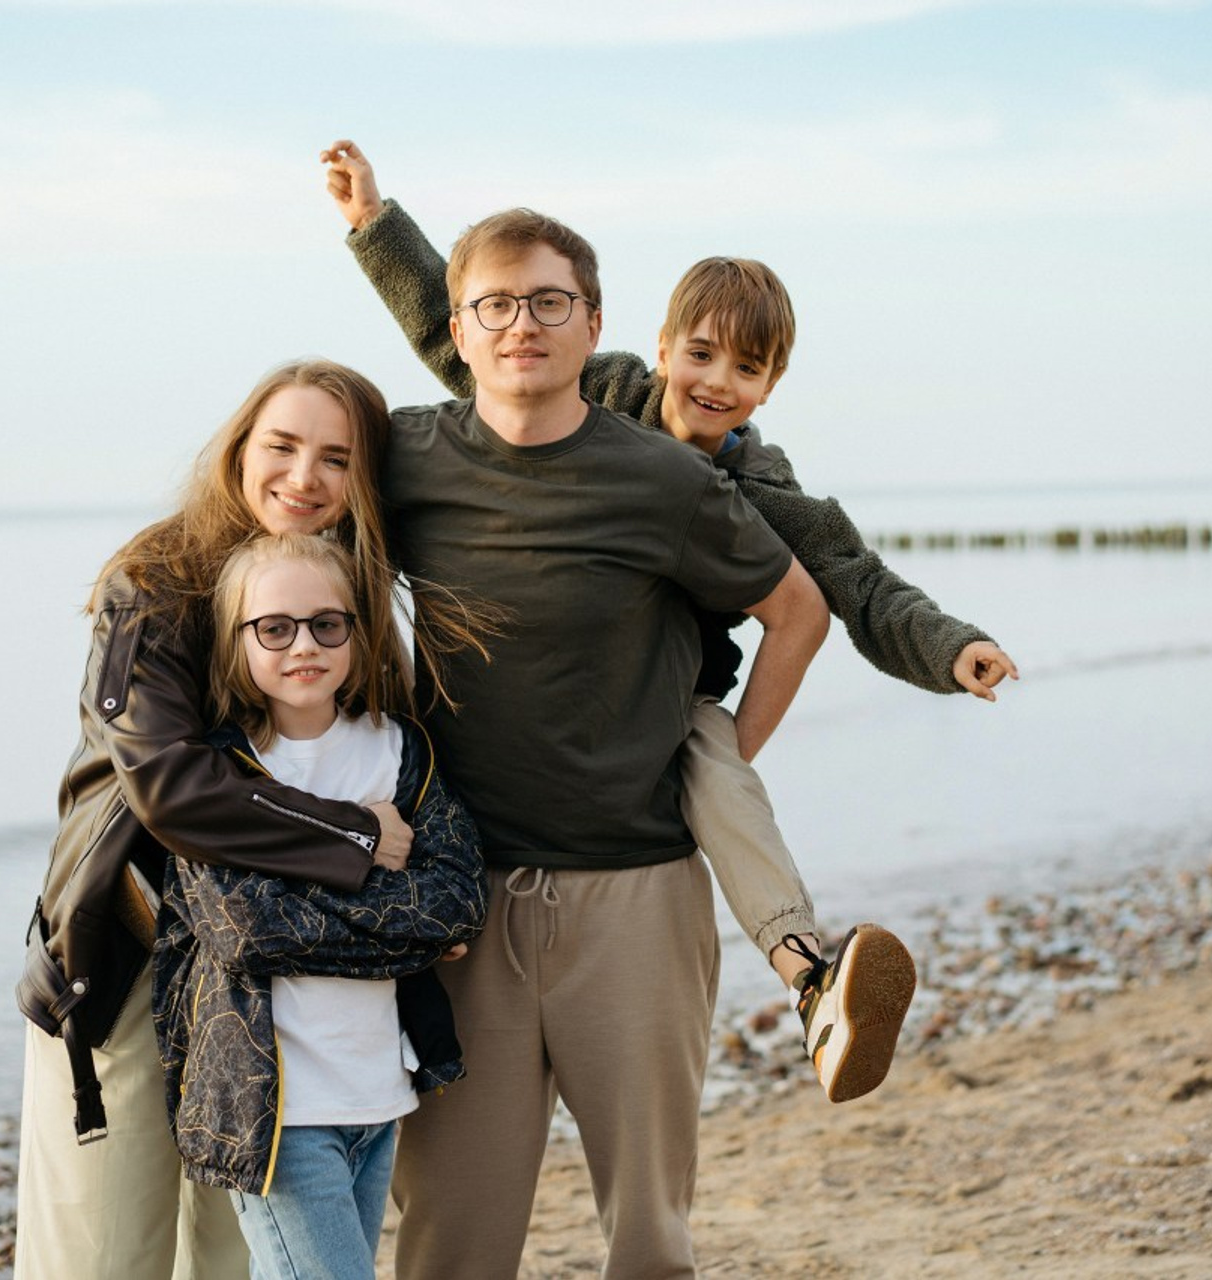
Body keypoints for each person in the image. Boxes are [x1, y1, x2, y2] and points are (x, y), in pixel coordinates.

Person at [321, 139, 1016, 1103]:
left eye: (747, 367)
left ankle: (811, 978)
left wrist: (952, 651)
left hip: (673, 706)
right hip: (538, 732)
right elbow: (464, 338)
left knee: (712, 764)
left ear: (771, 386)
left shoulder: (762, 487)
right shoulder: (595, 393)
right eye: (700, 354)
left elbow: (853, 583)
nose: (716, 382)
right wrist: (374, 223)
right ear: (658, 349)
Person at [315, 167, 835, 1274]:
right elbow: (289, 527)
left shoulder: (664, 480)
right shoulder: (406, 455)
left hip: (636, 898)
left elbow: (798, 609)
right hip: (462, 903)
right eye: (495, 304)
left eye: (549, 301)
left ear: (592, 323)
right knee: (451, 1234)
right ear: (458, 328)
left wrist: (725, 751)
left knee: (649, 1231)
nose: (522, 324)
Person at [14, 359, 486, 1279]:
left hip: (266, 1019)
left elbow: (413, 797)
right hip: (126, 960)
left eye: (335, 457)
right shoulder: (150, 586)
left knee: (232, 1261)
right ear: (239, 450)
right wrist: (357, 836)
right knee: (101, 1254)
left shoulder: (337, 604)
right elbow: (174, 788)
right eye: (282, 446)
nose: (303, 477)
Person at [153, 531, 486, 1280]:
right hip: (276, 1111)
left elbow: (457, 898)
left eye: (325, 624)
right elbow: (246, 930)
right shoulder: (217, 774)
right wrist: (389, 893)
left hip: (379, 1090)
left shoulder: (399, 749)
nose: (303, 644)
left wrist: (315, 900)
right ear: (237, 641)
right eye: (274, 627)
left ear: (355, 632)